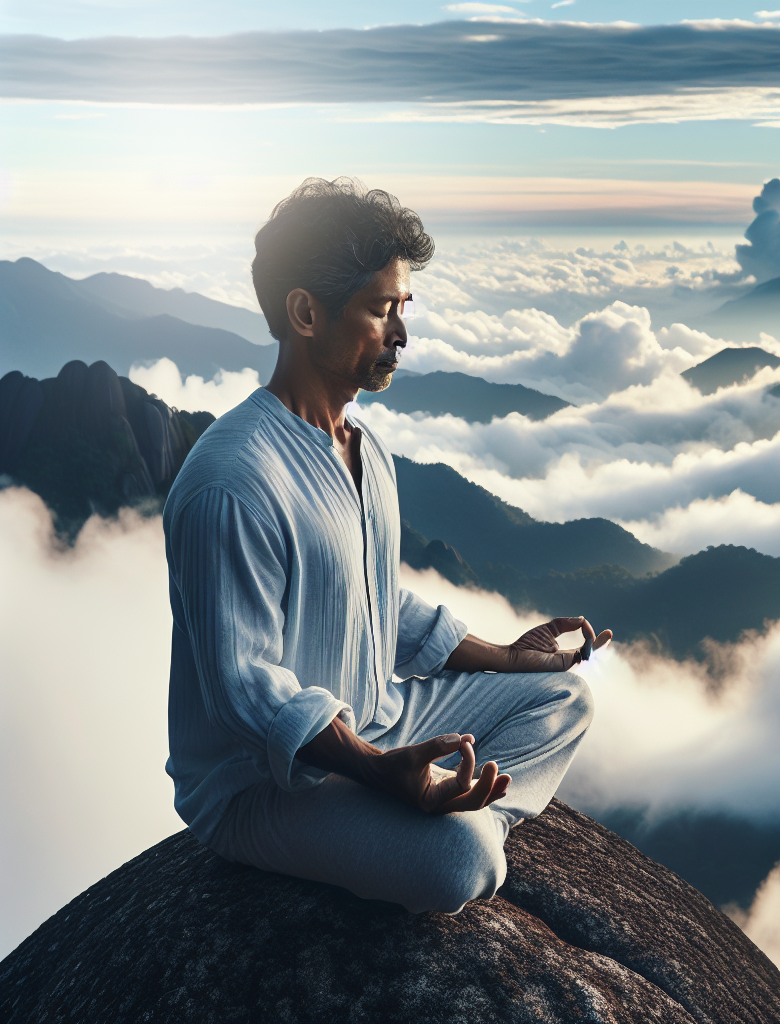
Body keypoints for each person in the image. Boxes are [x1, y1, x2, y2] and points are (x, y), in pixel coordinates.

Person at [163, 177, 611, 915]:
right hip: (265, 784)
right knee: (461, 865)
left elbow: (372, 601)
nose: (402, 333)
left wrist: (505, 656)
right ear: (306, 312)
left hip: (377, 714)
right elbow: (246, 687)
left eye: (403, 308)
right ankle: (455, 826)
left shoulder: (363, 448)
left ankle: (452, 811)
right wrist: (376, 772)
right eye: (380, 310)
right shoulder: (231, 483)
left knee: (561, 695)